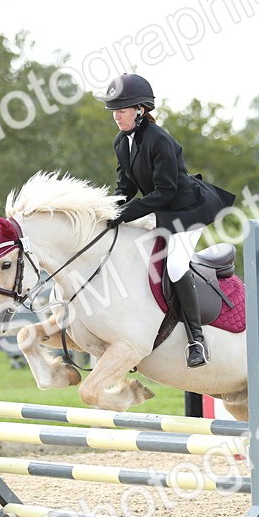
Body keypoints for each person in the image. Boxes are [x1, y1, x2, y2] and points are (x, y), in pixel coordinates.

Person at [97, 73, 236, 368]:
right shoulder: (122, 142)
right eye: (114, 111)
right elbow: (125, 188)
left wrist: (128, 213)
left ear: (140, 110)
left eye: (121, 110)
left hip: (188, 210)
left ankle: (197, 340)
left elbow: (166, 191)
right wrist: (107, 209)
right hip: (162, 209)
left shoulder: (160, 140)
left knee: (174, 266)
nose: (116, 116)